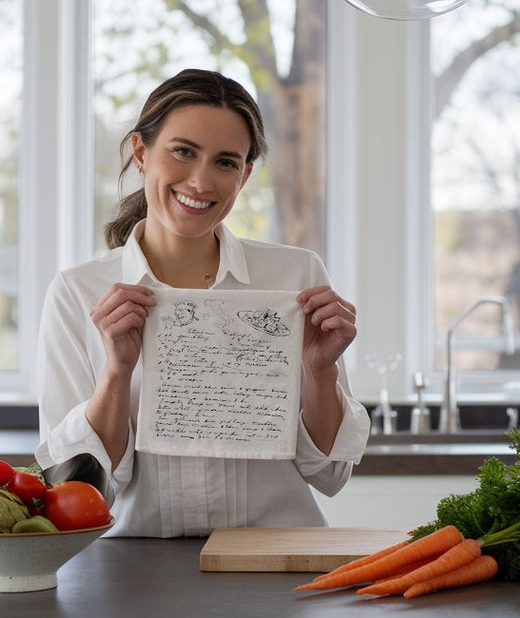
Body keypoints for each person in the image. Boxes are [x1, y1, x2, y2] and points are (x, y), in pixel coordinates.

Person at [35, 68, 370, 537]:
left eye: (226, 162)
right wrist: (116, 372)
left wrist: (320, 371)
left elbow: (330, 475)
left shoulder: (297, 278)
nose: (200, 181)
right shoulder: (78, 293)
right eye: (183, 152)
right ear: (140, 152)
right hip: (132, 573)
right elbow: (77, 487)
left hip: (274, 565)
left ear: (244, 175)